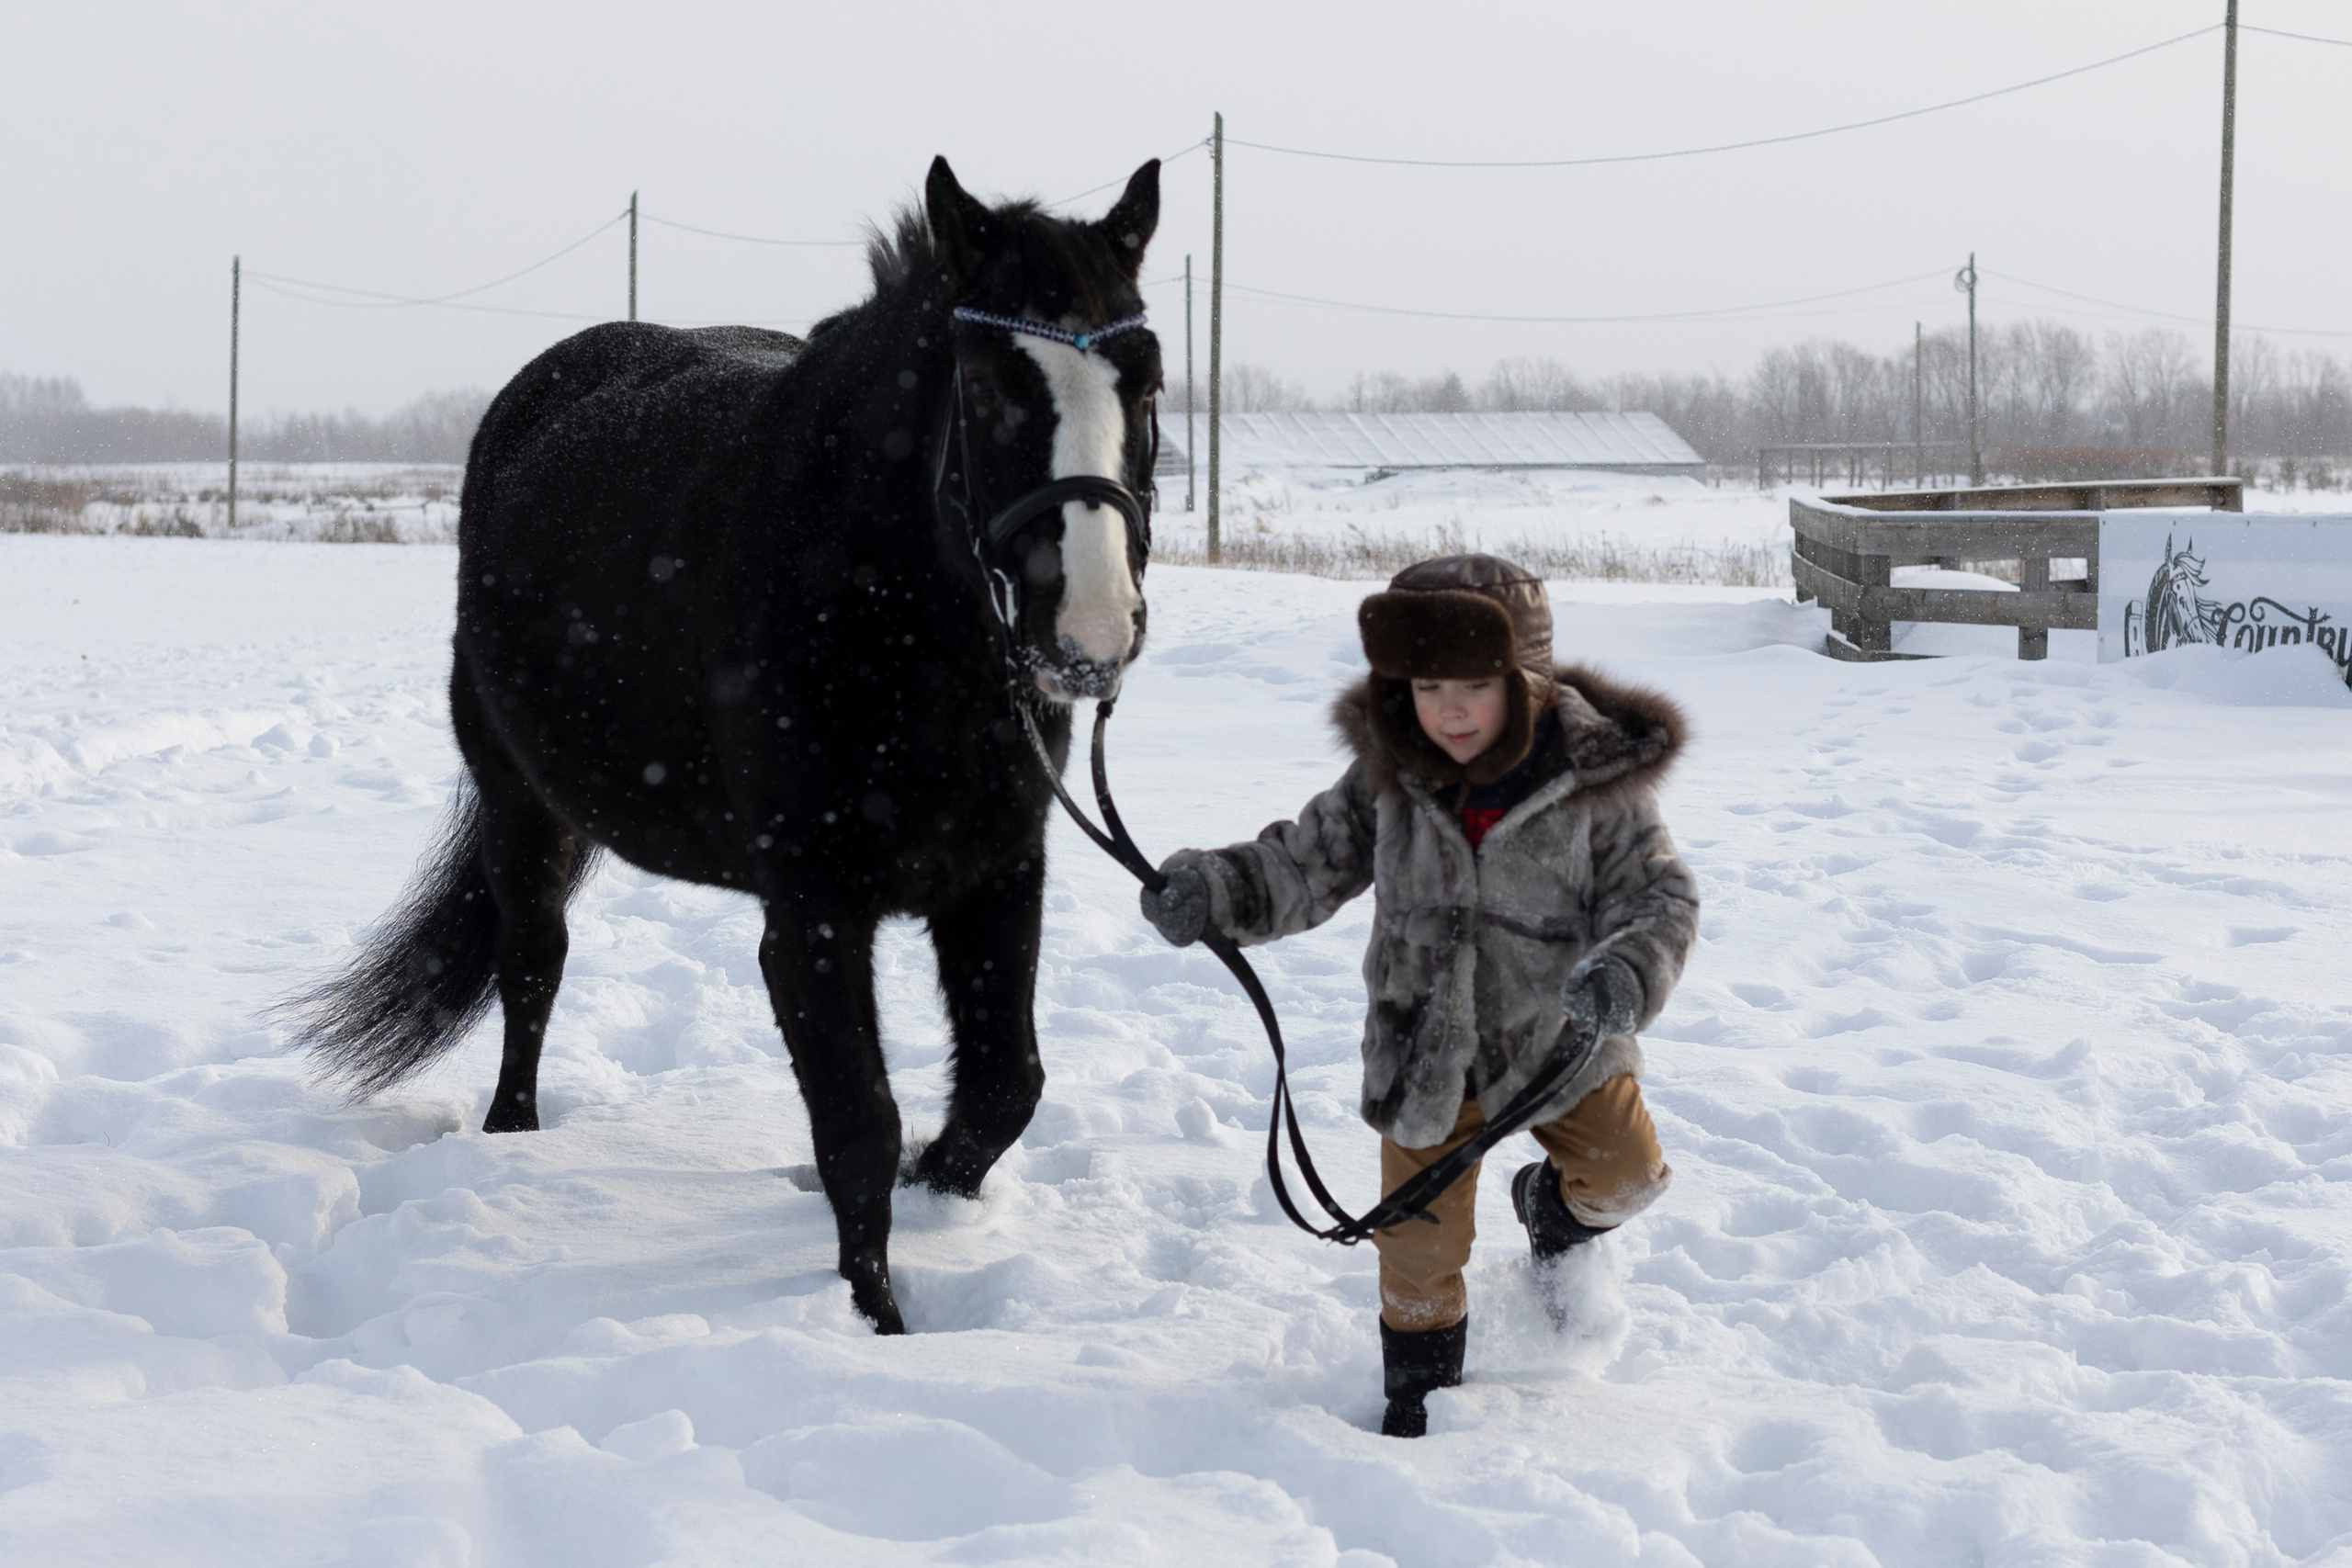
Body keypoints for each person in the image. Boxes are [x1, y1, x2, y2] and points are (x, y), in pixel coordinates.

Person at [1138, 554, 1698, 1438]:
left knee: (1627, 1173)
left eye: (1475, 684)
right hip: (1425, 1049)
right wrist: (1216, 889)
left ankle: (1548, 1210)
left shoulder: (1592, 782)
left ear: (1532, 681)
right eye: (1428, 684)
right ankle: (1422, 1393)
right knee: (1418, 1251)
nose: (1450, 709)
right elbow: (1302, 861)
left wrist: (1627, 971)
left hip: (1561, 1036)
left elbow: (1659, 897)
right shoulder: (1391, 776)